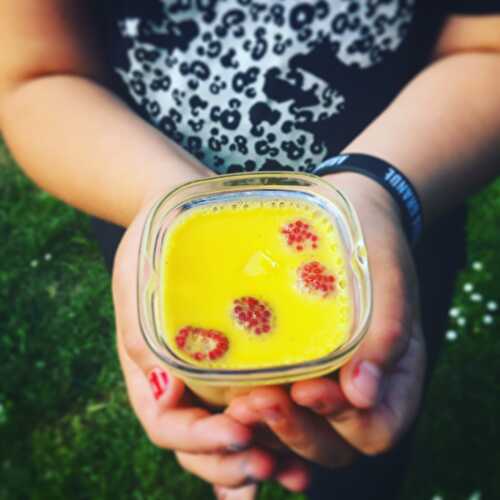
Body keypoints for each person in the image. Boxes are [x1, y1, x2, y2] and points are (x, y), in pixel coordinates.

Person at [1, 2, 499, 499]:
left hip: (387, 228)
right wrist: (164, 201)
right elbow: (36, 73)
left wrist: (376, 188)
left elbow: (488, 47)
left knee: (359, 436)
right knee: (216, 409)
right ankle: (236, 453)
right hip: (153, 211)